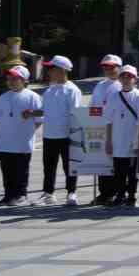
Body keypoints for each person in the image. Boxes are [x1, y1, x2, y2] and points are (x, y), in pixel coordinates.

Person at [35, 55, 82, 206]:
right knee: (49, 166)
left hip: (66, 135)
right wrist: (31, 112)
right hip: (49, 135)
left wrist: (74, 134)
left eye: (51, 68)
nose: (49, 71)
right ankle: (48, 193)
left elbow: (75, 113)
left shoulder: (72, 90)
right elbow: (43, 110)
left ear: (62, 70)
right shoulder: (49, 90)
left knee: (69, 166)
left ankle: (72, 192)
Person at [0, 64, 40, 206]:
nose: (11, 81)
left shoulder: (33, 97)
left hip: (22, 141)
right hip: (4, 141)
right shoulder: (4, 97)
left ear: (24, 81)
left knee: (21, 170)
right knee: (6, 170)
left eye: (15, 79)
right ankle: (8, 194)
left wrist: (28, 133)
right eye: (9, 79)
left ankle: (21, 194)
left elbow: (39, 120)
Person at [102, 65, 139, 208]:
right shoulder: (114, 96)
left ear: (135, 79)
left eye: (130, 77)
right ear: (120, 79)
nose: (126, 79)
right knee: (119, 171)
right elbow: (108, 120)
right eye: (124, 76)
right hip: (117, 139)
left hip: (134, 140)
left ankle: (132, 196)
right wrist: (108, 141)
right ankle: (120, 195)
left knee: (132, 171)